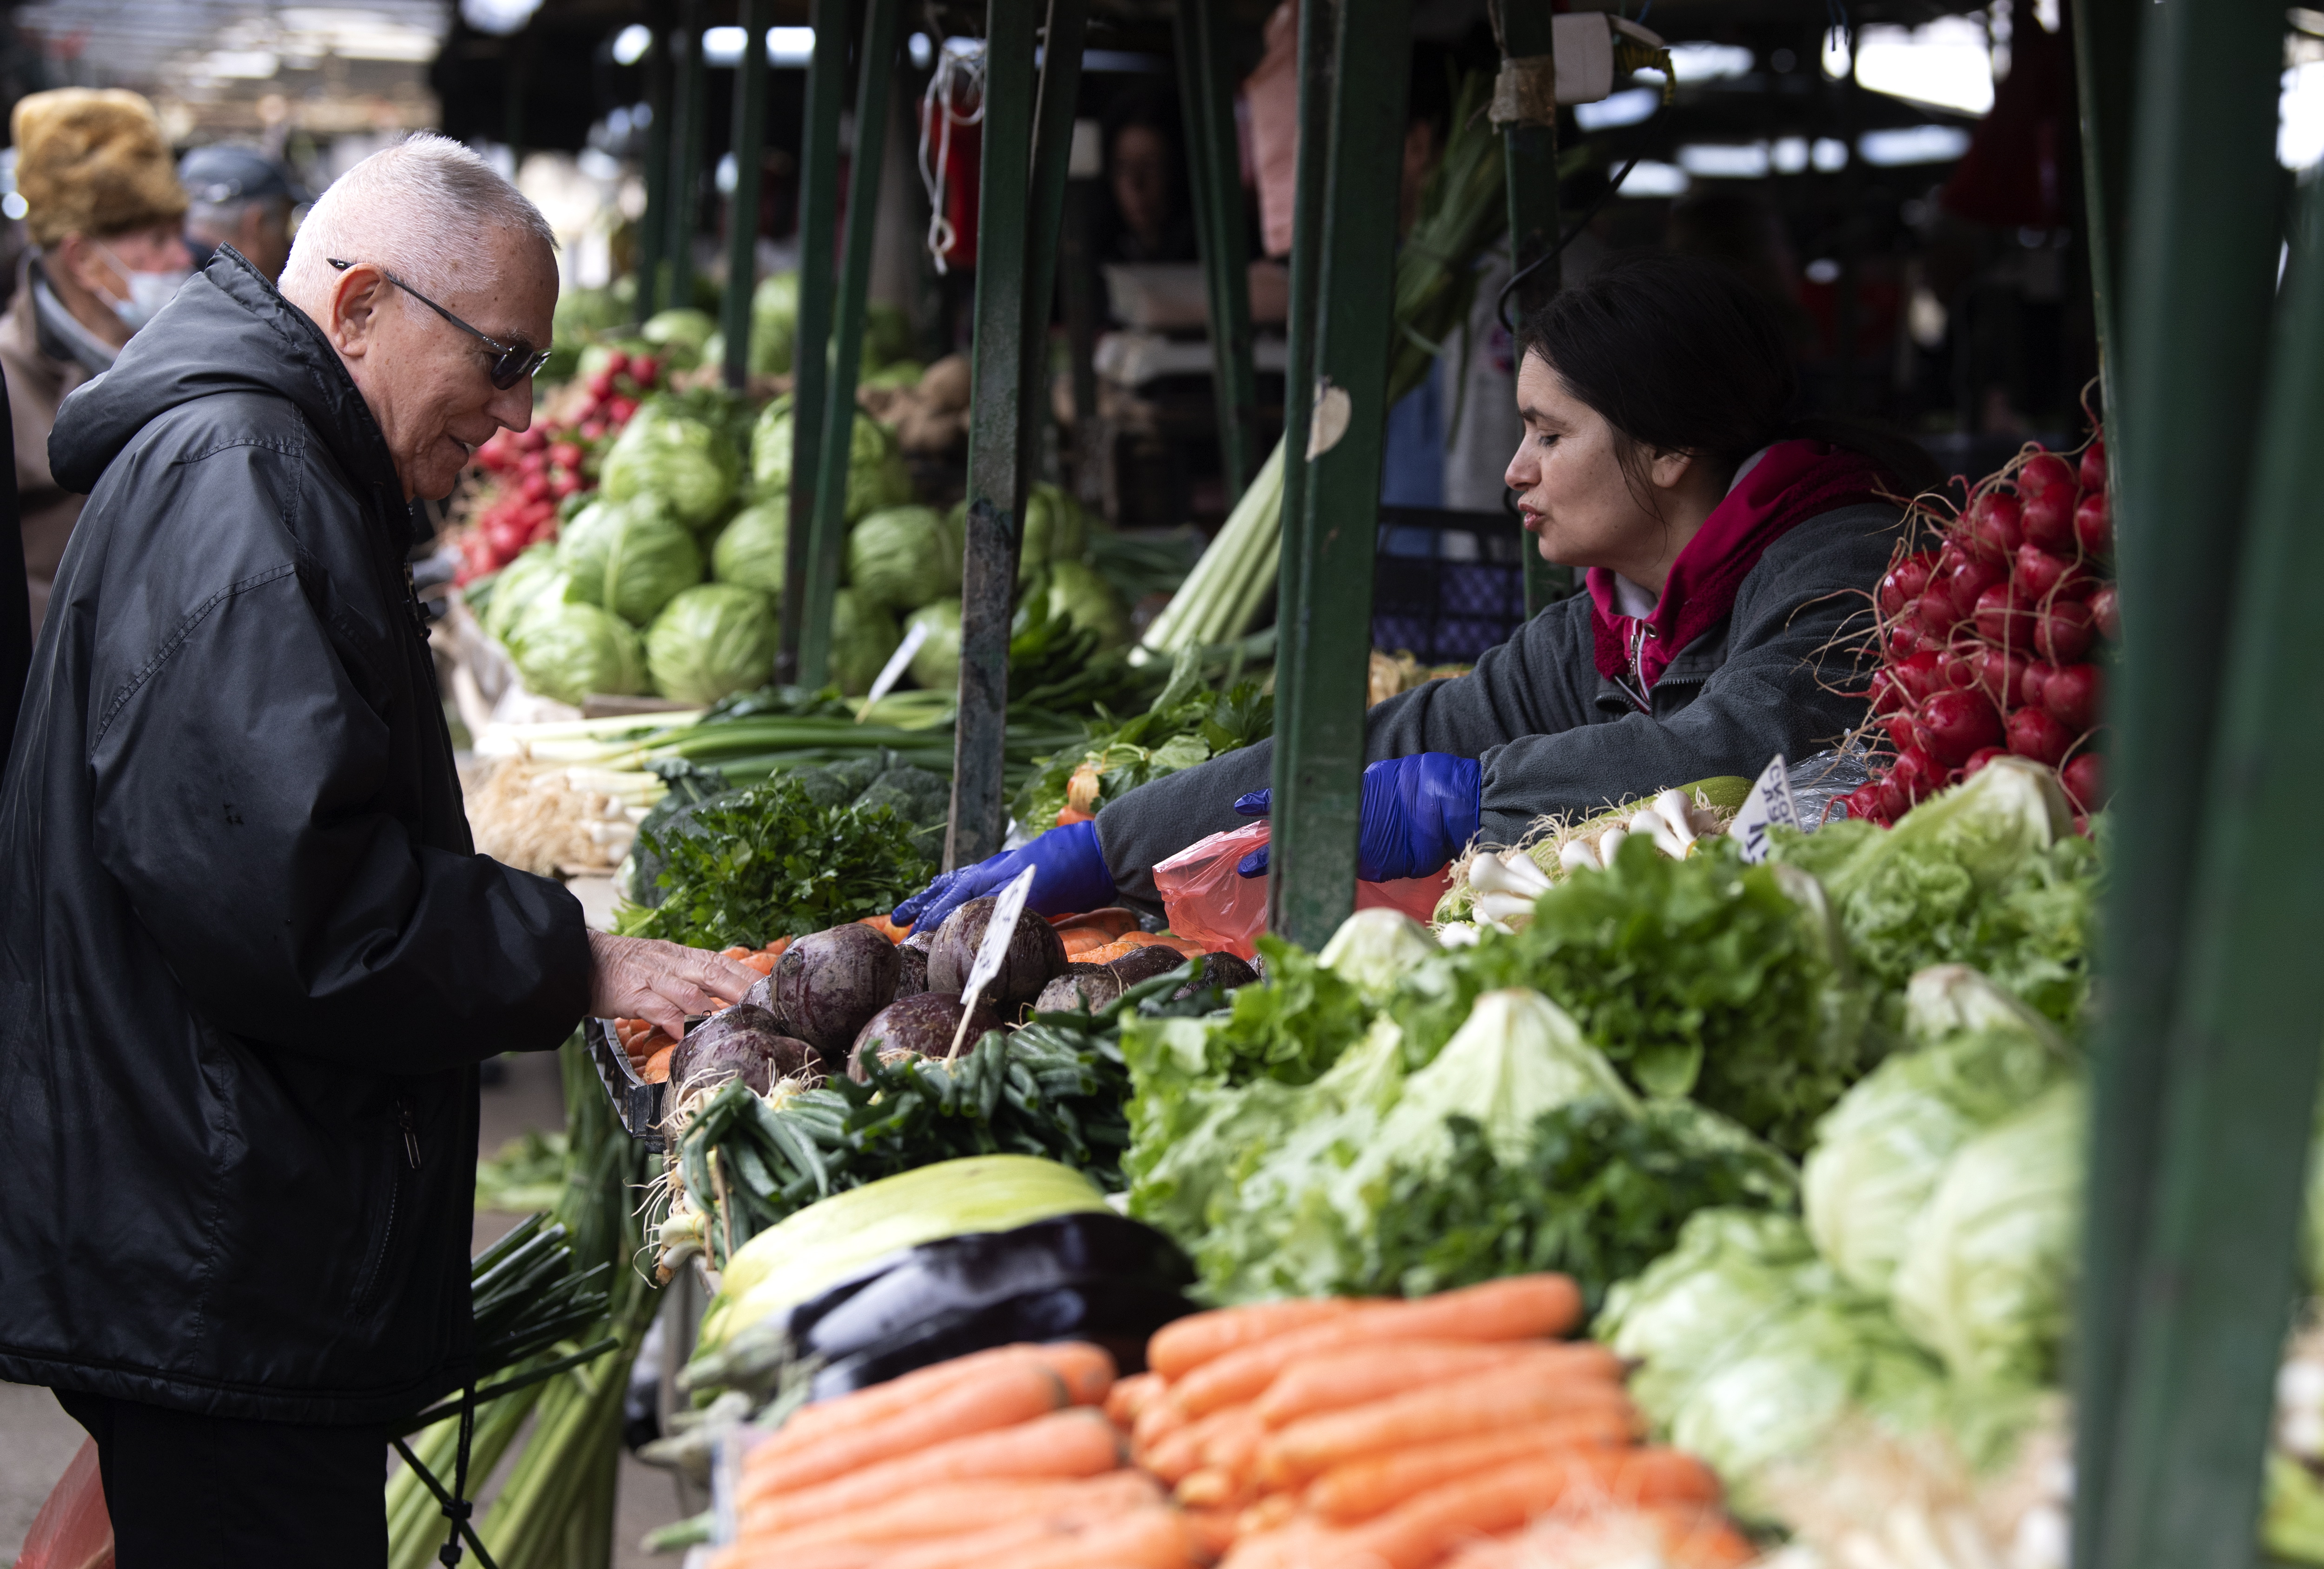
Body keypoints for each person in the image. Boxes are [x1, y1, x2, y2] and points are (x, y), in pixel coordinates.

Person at [0, 135, 757, 1562]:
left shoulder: (269, 464)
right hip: (212, 1240)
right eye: (502, 360)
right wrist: (571, 957)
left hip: (204, 1222)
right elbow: (296, 902)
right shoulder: (245, 481)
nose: (519, 416)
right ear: (357, 310)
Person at [896, 254, 1934, 932]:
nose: (1513, 471)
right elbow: (1413, 730)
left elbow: (1732, 743)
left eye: (1549, 434)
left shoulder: (1844, 562)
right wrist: (1108, 843)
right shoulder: (1614, 624)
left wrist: (1469, 799)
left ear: (1668, 446)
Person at [0, 88, 192, 637]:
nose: (182, 256)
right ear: (84, 259)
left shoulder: (177, 354)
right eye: (157, 239)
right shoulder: (12, 381)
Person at [178, 142, 302, 280]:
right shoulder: (230, 296)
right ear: (256, 224)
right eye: (286, 226)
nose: (289, 246)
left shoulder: (164, 281)